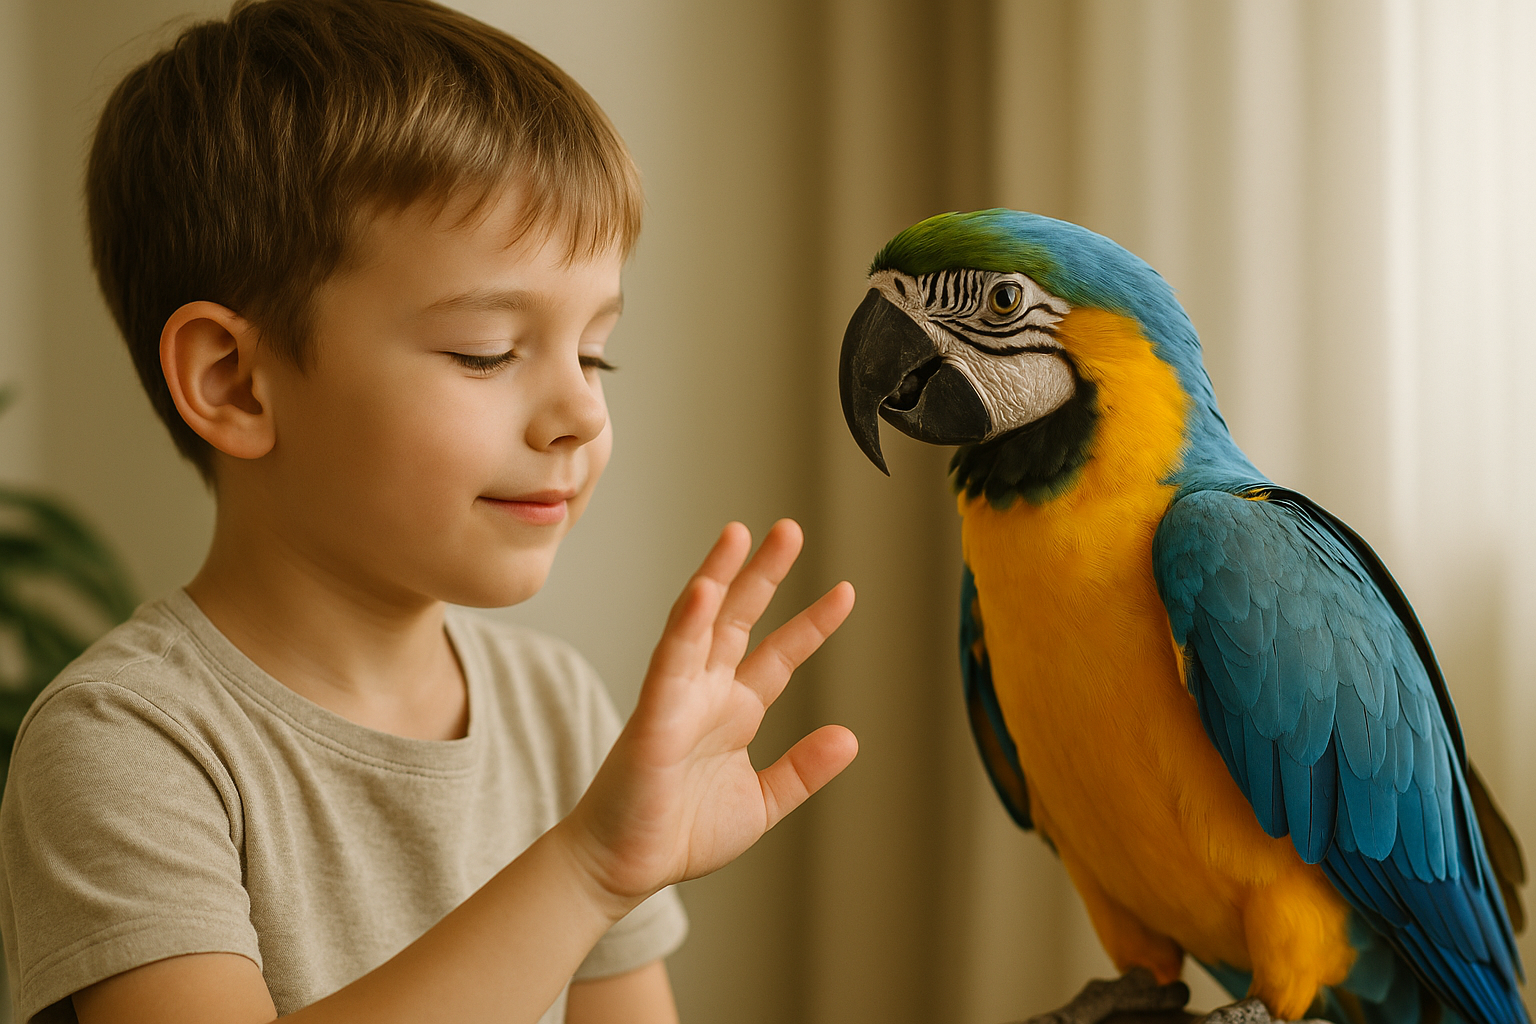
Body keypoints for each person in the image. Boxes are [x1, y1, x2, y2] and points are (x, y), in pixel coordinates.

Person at [0, 1, 859, 1022]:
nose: (583, 412)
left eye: (596, 355)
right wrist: (586, 868)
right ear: (233, 382)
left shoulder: (558, 710)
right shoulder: (127, 745)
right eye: (485, 352)